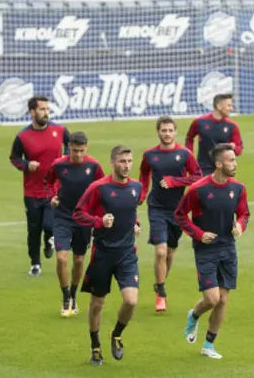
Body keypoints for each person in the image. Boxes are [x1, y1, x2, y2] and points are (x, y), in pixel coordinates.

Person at [176, 144, 249, 359]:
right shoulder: (198, 189)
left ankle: (208, 345)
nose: (235, 164)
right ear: (219, 164)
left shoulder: (238, 188)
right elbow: (180, 215)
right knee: (211, 299)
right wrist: (198, 234)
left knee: (223, 300)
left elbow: (244, 213)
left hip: (228, 248)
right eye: (231, 160)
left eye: (235, 159)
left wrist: (240, 226)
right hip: (206, 250)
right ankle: (194, 314)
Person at [73, 146, 143, 366]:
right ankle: (95, 348)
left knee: (131, 301)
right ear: (112, 163)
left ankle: (116, 334)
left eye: (129, 161)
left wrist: (136, 224)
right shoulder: (98, 187)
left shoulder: (136, 187)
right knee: (96, 305)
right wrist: (99, 222)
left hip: (127, 254)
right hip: (102, 254)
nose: (127, 165)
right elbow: (78, 213)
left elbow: (130, 212)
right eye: (122, 161)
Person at [140, 116, 202, 312]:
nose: (167, 134)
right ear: (158, 132)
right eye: (163, 130)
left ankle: (160, 282)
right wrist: (141, 194)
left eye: (170, 130)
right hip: (156, 207)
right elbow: (144, 175)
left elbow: (197, 176)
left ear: (175, 132)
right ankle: (161, 294)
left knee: (170, 252)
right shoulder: (150, 155)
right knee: (160, 251)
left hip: (178, 210)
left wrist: (175, 181)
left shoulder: (184, 154)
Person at [45, 132, 104, 317]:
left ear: (86, 147)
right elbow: (48, 181)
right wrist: (52, 196)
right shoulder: (59, 164)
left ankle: (73, 293)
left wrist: (98, 217)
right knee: (62, 257)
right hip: (62, 215)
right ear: (68, 147)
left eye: (81, 150)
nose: (77, 154)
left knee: (78, 260)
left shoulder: (93, 166)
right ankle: (65, 296)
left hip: (84, 218)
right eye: (74, 150)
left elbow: (101, 188)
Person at [9, 95, 70, 276]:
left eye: (47, 109)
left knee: (50, 225)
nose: (46, 113)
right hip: (32, 191)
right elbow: (14, 158)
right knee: (33, 230)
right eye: (42, 109)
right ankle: (35, 263)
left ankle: (49, 238)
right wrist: (27, 165)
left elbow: (71, 146)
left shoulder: (59, 130)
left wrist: (65, 160)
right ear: (32, 112)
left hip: (54, 189)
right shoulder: (23, 136)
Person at [186, 94, 243, 175]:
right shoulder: (200, 122)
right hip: (203, 169)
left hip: (224, 170)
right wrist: (190, 156)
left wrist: (233, 148)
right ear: (219, 106)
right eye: (229, 105)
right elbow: (189, 138)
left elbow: (239, 149)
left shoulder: (232, 126)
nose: (231, 108)